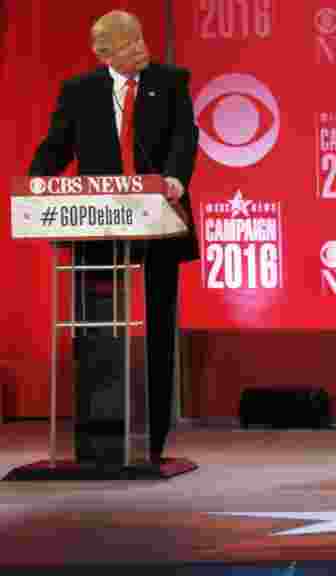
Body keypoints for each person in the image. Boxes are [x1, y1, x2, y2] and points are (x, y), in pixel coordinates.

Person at [29, 10, 199, 465]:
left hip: (159, 218)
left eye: (140, 40)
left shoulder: (171, 80)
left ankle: (155, 439)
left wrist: (175, 180)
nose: (139, 49)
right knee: (96, 324)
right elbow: (57, 145)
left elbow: (185, 137)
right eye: (127, 45)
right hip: (98, 223)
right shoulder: (79, 91)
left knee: (159, 325)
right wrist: (37, 185)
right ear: (102, 53)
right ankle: (98, 436)